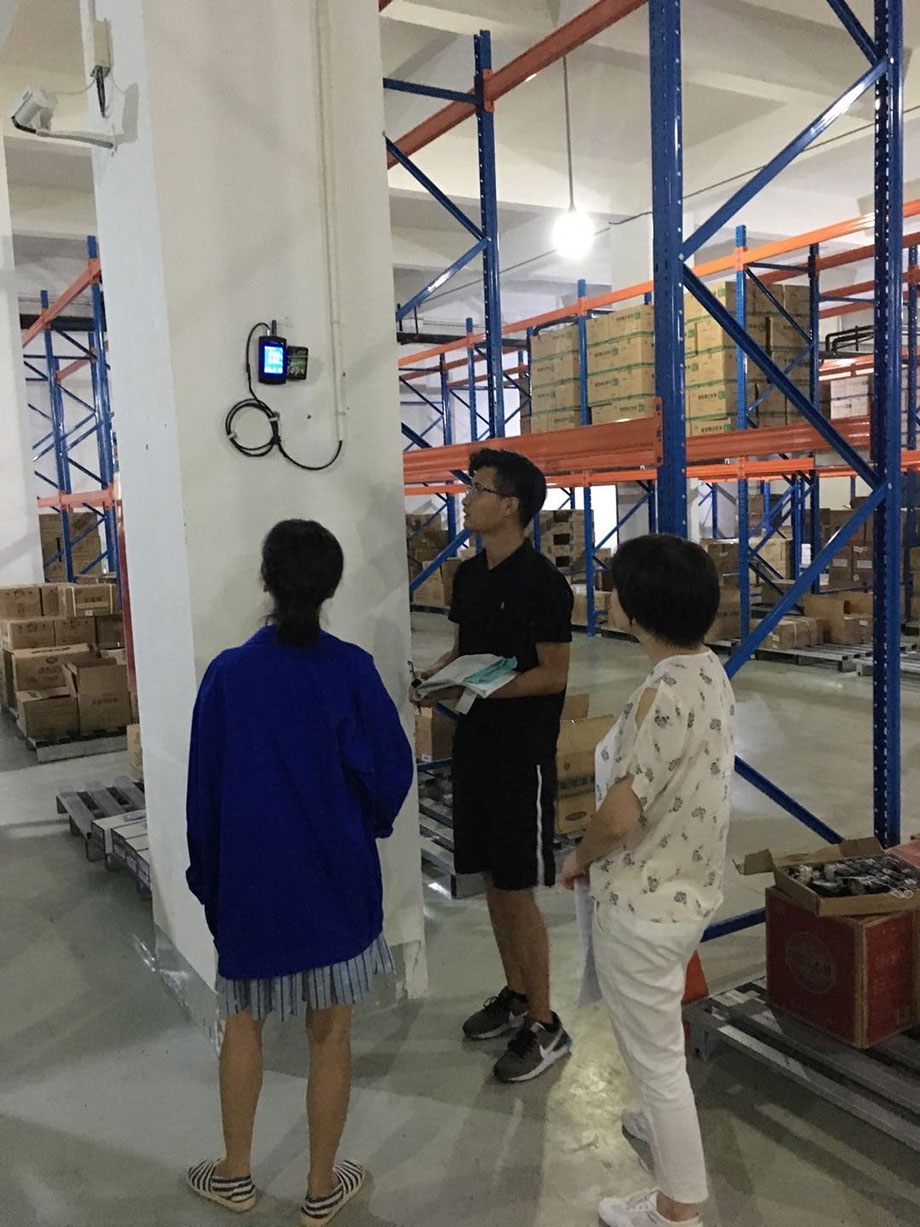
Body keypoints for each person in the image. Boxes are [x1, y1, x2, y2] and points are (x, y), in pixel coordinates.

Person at [185, 519, 413, 1226]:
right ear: (330, 588)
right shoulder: (352, 672)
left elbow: (203, 796)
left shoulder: (228, 676)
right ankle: (320, 1187)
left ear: (267, 582)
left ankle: (234, 1174)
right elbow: (392, 772)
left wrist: (210, 885)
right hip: (336, 882)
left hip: (251, 887)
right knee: (331, 1033)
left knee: (240, 1023)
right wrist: (362, 825)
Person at [559, 533, 734, 1227]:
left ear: (633, 609)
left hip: (644, 907)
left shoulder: (659, 696)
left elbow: (619, 816)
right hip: (688, 890)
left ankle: (676, 1206)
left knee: (657, 1060)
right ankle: (658, 1122)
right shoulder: (708, 671)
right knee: (656, 1041)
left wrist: (580, 856)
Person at [415, 448, 575, 1083]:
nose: (467, 498)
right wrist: (434, 680)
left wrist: (481, 689)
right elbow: (462, 650)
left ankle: (546, 1021)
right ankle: (515, 994)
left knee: (518, 887)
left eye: (478, 489)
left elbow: (553, 674)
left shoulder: (543, 584)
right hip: (474, 746)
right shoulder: (470, 576)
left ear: (509, 505)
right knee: (490, 880)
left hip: (520, 755)